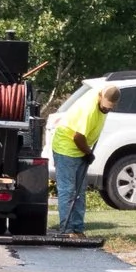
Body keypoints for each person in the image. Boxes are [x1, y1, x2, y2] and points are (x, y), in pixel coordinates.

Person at [47, 81, 118, 241]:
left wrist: (86, 151)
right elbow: (78, 137)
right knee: (68, 191)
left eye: (110, 107)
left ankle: (78, 229)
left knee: (80, 191)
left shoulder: (104, 100)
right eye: (105, 106)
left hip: (80, 149)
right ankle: (67, 229)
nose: (107, 109)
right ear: (100, 96)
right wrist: (88, 152)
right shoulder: (89, 109)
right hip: (67, 148)